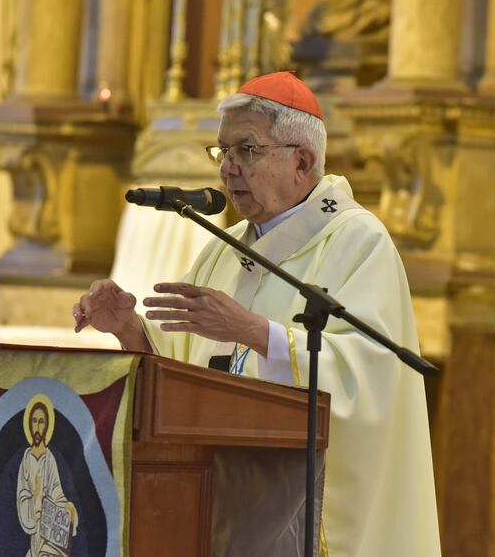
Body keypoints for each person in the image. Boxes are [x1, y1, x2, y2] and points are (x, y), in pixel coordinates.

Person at [73, 71, 440, 556]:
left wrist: (252, 331)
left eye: (245, 150)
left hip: (301, 523)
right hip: (217, 512)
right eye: (221, 151)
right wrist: (131, 332)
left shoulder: (357, 243)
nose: (226, 169)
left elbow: (370, 379)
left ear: (303, 162)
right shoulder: (223, 253)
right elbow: (179, 382)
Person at [17, 397, 78, 557]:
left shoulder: (50, 458)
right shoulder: (25, 458)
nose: (37, 427)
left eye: (42, 422)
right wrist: (35, 497)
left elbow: (56, 491)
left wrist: (67, 508)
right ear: (29, 424)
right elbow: (21, 494)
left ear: (47, 426)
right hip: (34, 528)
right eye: (34, 421)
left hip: (49, 530)